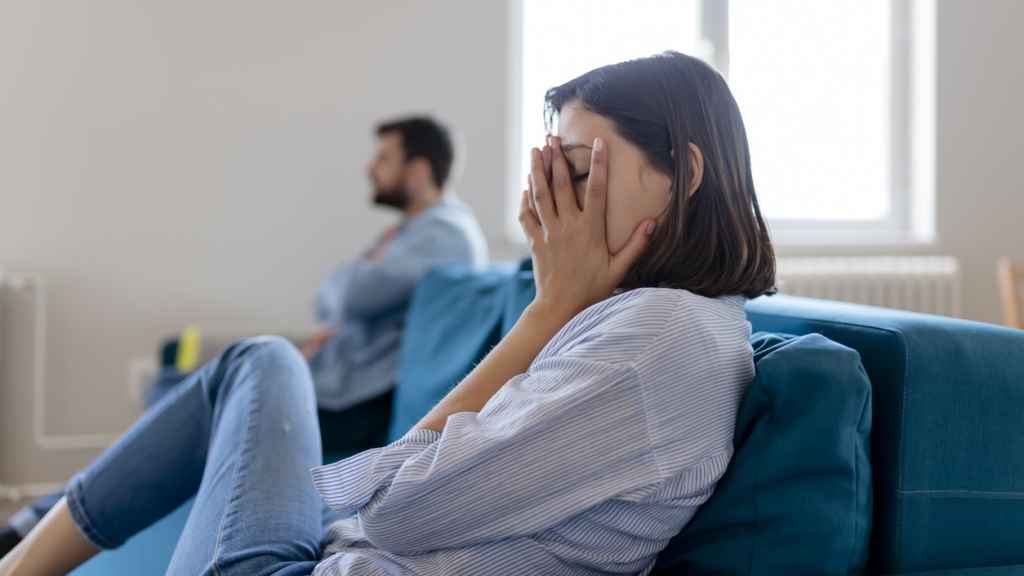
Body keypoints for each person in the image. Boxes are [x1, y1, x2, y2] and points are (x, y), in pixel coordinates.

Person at [0, 51, 775, 576]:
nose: (550, 201)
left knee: (257, 361)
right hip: (332, 552)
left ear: (686, 172)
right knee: (257, 362)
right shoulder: (651, 321)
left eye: (574, 172)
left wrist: (544, 315)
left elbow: (397, 513)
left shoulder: (659, 337)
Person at [0, 115, 489, 559]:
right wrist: (353, 278)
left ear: (419, 171)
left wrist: (354, 276)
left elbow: (348, 294)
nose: (370, 168)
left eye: (384, 158)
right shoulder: (409, 233)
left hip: (354, 406)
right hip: (334, 387)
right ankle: (41, 520)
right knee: (176, 382)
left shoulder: (447, 233)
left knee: (194, 390)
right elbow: (333, 293)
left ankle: (37, 521)